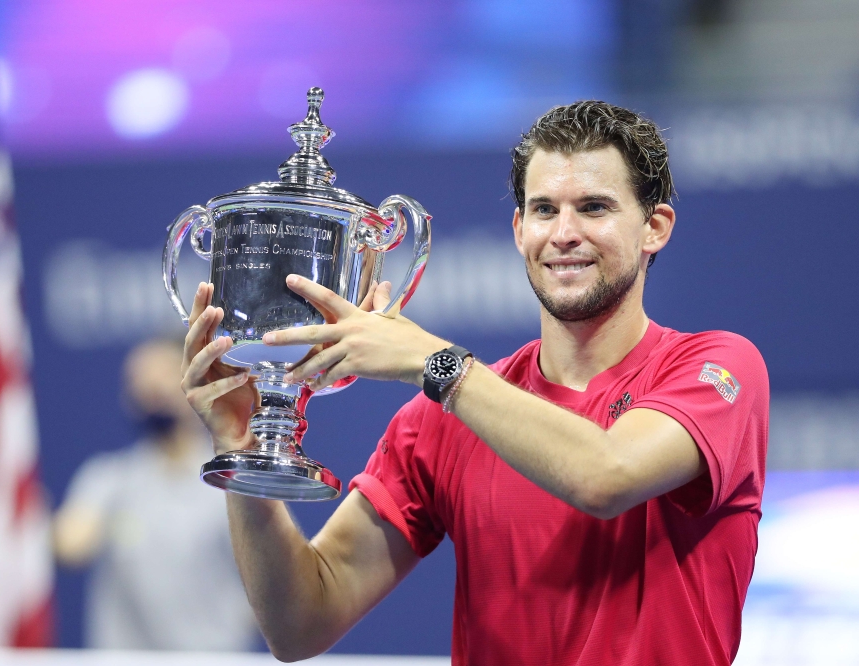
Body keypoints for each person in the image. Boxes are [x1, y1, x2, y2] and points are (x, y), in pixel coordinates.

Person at [180, 102, 769, 665]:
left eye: (593, 207)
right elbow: (300, 623)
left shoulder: (718, 368)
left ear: (654, 228)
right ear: (519, 229)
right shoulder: (444, 418)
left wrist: (435, 362)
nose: (563, 233)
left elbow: (606, 476)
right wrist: (246, 451)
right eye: (543, 210)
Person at [54, 339, 257, 651]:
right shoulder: (107, 479)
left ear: (195, 384)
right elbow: (70, 546)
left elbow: (273, 578)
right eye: (138, 380)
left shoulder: (231, 481)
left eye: (162, 376)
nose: (150, 388)